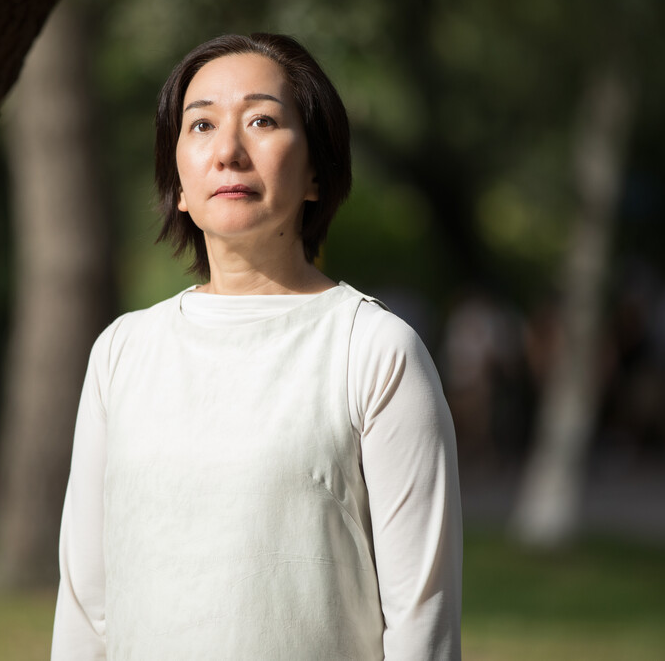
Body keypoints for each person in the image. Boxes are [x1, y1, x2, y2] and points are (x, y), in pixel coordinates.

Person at [51, 33, 462, 660]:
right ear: (179, 184)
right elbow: (86, 608)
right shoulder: (123, 352)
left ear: (317, 173)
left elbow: (420, 618)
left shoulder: (373, 348)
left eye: (263, 120)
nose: (228, 151)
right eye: (202, 125)